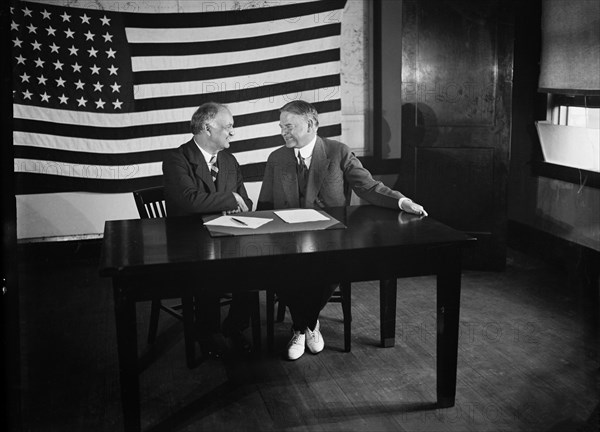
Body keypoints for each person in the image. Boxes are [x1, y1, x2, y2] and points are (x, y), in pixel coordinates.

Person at [257, 100, 427, 360]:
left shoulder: (338, 152)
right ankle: (310, 325)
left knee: (331, 266)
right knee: (279, 266)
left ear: (312, 124)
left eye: (289, 126)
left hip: (330, 239)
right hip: (287, 241)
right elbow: (265, 206)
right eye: (281, 126)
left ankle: (300, 327)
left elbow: (368, 187)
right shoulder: (276, 158)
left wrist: (403, 202)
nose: (283, 132)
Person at [163, 102, 254, 355]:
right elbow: (189, 200)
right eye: (228, 127)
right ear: (207, 127)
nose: (232, 133)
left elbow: (244, 201)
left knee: (254, 265)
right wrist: (230, 200)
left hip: (225, 237)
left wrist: (237, 202)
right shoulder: (176, 159)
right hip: (189, 241)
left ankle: (234, 327)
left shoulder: (229, 159)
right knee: (209, 270)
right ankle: (207, 333)